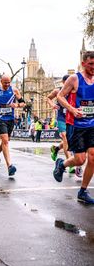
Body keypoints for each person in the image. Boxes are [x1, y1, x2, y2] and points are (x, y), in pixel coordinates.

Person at [53, 51, 94, 204]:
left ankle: (83, 191)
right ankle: (61, 164)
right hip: (77, 125)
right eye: (90, 64)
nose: (93, 67)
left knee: (92, 157)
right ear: (83, 63)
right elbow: (60, 96)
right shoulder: (74, 79)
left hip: (92, 124)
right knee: (80, 159)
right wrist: (72, 109)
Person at [0, 75, 25, 176]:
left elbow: (23, 103)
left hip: (10, 119)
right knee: (4, 140)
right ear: (1, 81)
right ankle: (9, 166)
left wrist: (17, 105)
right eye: (5, 82)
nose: (7, 84)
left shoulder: (14, 90)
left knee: (6, 141)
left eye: (9, 82)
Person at [47, 75, 75, 173]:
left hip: (71, 118)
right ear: (63, 83)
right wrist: (52, 105)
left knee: (69, 139)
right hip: (61, 118)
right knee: (65, 137)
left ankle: (56, 149)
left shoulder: (75, 91)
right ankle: (70, 164)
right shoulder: (57, 91)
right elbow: (49, 98)